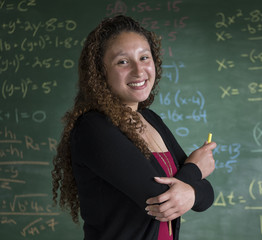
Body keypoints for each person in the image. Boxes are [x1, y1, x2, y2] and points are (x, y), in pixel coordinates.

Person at [51, 15, 217, 240]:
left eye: (144, 57)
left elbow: (204, 196)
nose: (139, 71)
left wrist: (191, 188)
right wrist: (196, 169)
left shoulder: (150, 119)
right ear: (100, 72)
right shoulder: (93, 128)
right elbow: (161, 200)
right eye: (123, 61)